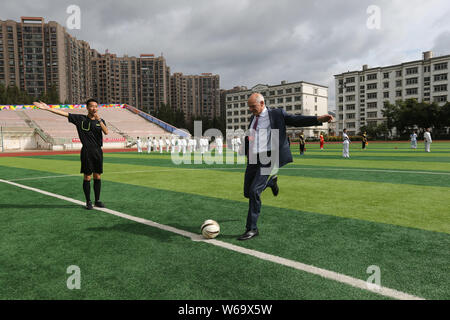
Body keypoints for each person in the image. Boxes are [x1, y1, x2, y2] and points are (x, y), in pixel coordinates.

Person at [238, 93, 333, 240]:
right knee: (247, 192)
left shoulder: (276, 114)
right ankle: (270, 183)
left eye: (253, 106)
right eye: (249, 106)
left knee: (254, 191)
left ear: (262, 103)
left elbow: (296, 120)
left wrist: (318, 119)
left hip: (268, 157)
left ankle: (252, 229)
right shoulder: (253, 117)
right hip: (253, 158)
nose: (251, 109)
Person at [33, 99, 108, 210]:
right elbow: (64, 114)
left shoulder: (101, 121)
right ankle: (88, 201)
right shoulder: (80, 119)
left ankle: (97, 200)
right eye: (92, 106)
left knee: (97, 175)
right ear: (87, 107)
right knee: (87, 176)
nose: (94, 108)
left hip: (98, 151)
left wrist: (100, 120)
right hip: (87, 151)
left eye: (96, 106)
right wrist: (48, 108)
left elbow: (106, 132)